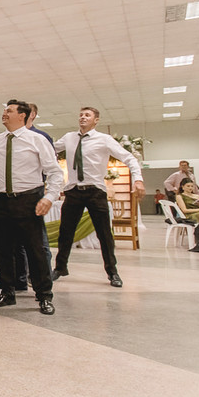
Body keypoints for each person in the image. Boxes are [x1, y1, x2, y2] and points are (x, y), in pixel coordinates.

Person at [0, 100, 63, 315]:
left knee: (36, 250)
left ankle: (44, 296)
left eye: (9, 111)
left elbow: (54, 172)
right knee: (2, 250)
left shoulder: (37, 140)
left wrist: (50, 197)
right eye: (4, 110)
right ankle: (7, 291)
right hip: (0, 201)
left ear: (22, 115)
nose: (4, 113)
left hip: (28, 200)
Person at [52, 107, 143, 288]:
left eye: (87, 115)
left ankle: (112, 272)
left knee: (104, 234)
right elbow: (49, 149)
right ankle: (60, 267)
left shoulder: (104, 139)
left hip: (95, 191)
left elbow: (129, 158)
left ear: (96, 120)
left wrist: (138, 179)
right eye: (81, 115)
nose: (82, 117)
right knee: (65, 233)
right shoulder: (69, 137)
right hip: (73, 191)